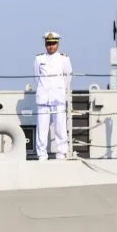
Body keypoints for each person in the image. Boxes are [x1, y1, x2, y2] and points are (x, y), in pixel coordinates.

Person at [33, 31, 72, 160]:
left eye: (53, 43)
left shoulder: (64, 59)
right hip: (44, 97)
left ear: (58, 44)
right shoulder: (39, 59)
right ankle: (42, 154)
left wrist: (61, 90)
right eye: (48, 44)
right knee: (42, 129)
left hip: (58, 97)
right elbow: (37, 77)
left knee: (60, 127)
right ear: (45, 44)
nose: (51, 46)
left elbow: (68, 77)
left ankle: (61, 153)